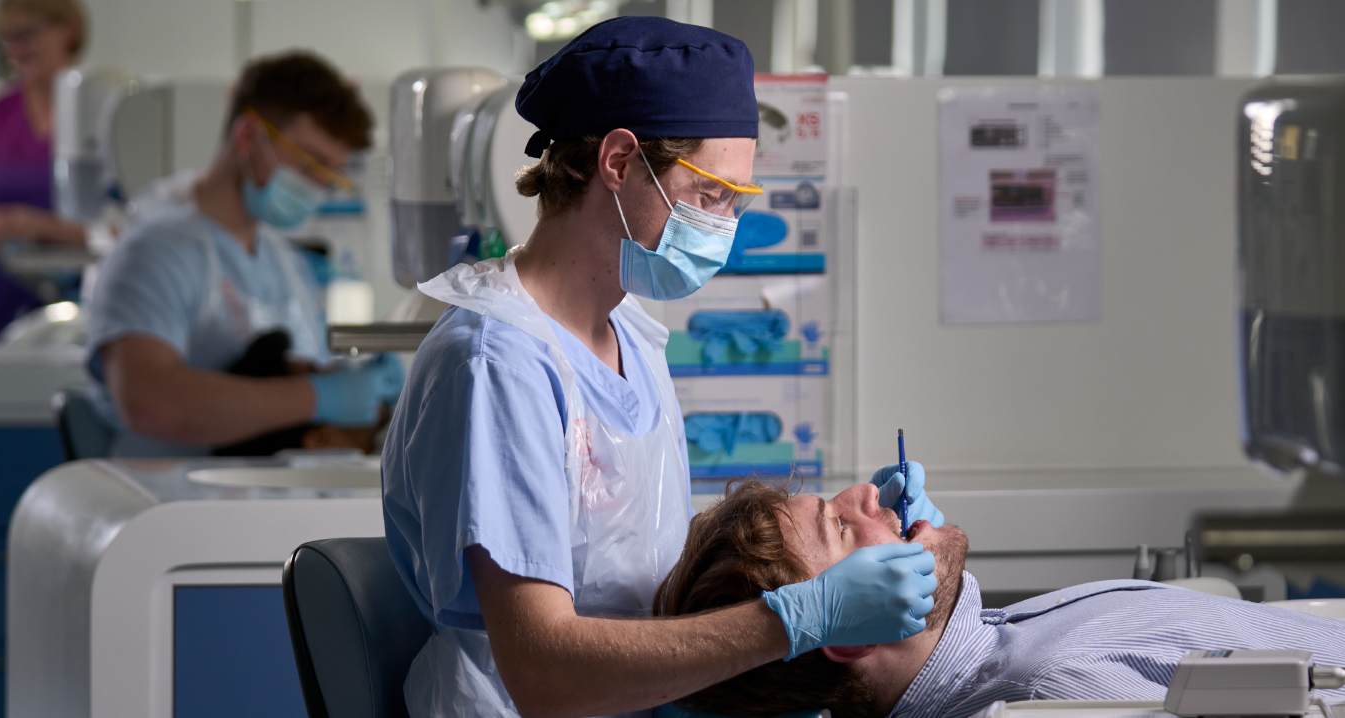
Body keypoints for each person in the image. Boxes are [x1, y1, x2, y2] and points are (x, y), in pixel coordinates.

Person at [380, 17, 946, 718]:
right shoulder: (498, 363)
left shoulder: (631, 339)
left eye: (738, 202)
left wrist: (847, 524)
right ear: (618, 161)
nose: (725, 230)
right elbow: (541, 674)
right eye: (711, 196)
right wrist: (801, 617)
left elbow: (635, 559)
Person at [655, 477, 1345, 718]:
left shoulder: (1001, 649)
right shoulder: (1052, 696)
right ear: (848, 628)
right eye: (844, 528)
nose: (870, 492)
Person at [84, 50, 401, 457]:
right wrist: (318, 397)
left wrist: (363, 389)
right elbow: (148, 401)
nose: (317, 190)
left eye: (329, 175)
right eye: (309, 165)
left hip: (256, 498)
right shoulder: (154, 252)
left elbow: (300, 369)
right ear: (249, 136)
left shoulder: (282, 260)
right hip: (167, 502)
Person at [0, 0, 92, 339]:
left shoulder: (101, 112)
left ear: (67, 29)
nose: (15, 51)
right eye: (6, 41)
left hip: (78, 308)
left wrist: (38, 228)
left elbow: (121, 230)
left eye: (26, 36)